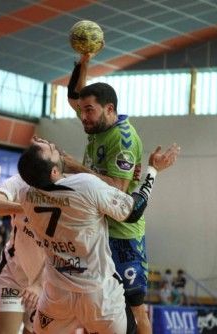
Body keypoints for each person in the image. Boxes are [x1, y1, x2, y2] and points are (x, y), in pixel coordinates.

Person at [17, 138, 179, 334]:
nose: (55, 147)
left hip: (57, 294)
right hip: (98, 294)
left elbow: (50, 180)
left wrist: (49, 155)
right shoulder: (85, 185)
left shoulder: (25, 194)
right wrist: (152, 170)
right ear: (54, 171)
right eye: (52, 150)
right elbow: (134, 210)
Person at [66, 53, 150, 333]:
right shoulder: (97, 123)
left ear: (109, 109)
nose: (83, 116)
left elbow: (116, 191)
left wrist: (75, 167)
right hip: (97, 230)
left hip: (123, 234)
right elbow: (73, 95)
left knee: (135, 308)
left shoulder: (123, 139)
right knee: (99, 307)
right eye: (83, 110)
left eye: (88, 110)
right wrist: (84, 61)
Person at [0, 174, 46, 334]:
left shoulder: (66, 192)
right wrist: (25, 208)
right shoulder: (22, 180)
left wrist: (38, 284)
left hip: (45, 280)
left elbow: (62, 252)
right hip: (13, 272)